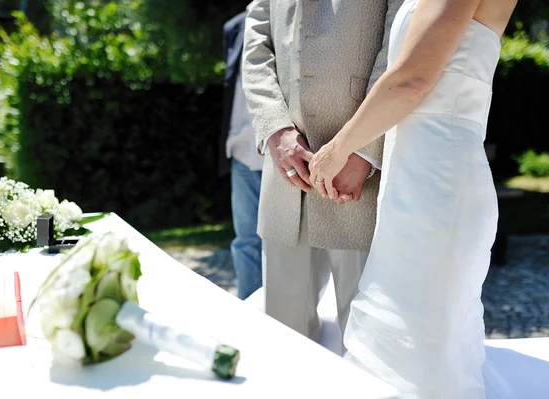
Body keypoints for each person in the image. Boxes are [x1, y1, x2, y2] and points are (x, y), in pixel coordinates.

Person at [308, 0, 517, 396]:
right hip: (414, 182)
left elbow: (411, 81)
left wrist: (337, 149)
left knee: (419, 348)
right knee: (408, 343)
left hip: (439, 186)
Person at [242, 0, 402, 353]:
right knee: (283, 339)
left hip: (360, 182)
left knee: (365, 340)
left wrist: (363, 150)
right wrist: (275, 129)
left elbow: (399, 47)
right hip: (285, 178)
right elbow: (255, 48)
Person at [220, 11, 264, 300]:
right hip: (242, 149)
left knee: (290, 246)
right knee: (245, 240)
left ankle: (285, 314)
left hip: (284, 149)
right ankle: (248, 307)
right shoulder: (234, 26)